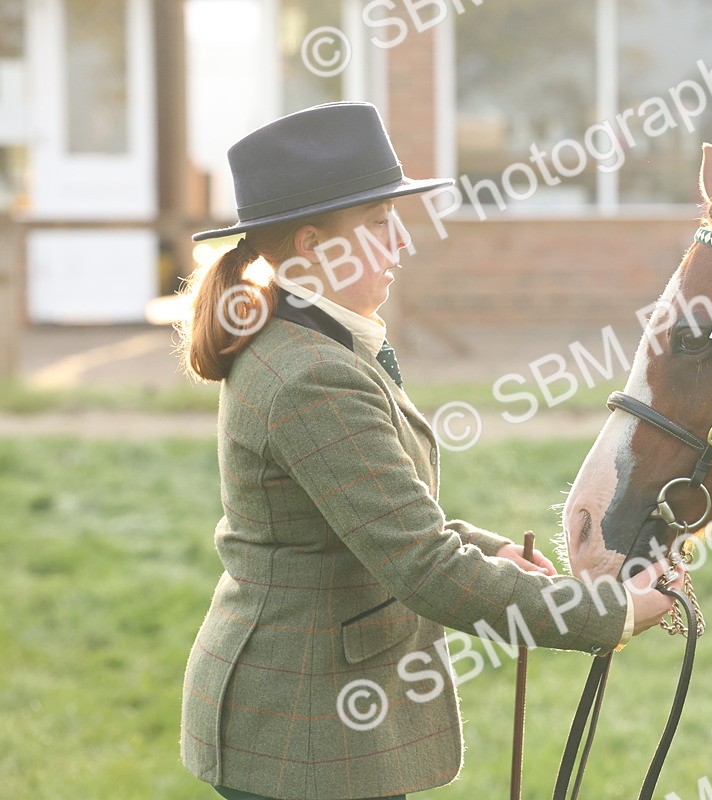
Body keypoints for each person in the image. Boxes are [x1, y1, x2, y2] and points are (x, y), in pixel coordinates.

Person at [176, 102, 683, 800]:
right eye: (379, 225)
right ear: (313, 246)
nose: (402, 244)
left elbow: (378, 519)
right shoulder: (310, 375)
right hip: (303, 732)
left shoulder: (315, 344)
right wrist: (613, 613)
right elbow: (423, 566)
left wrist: (490, 549)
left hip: (317, 721)